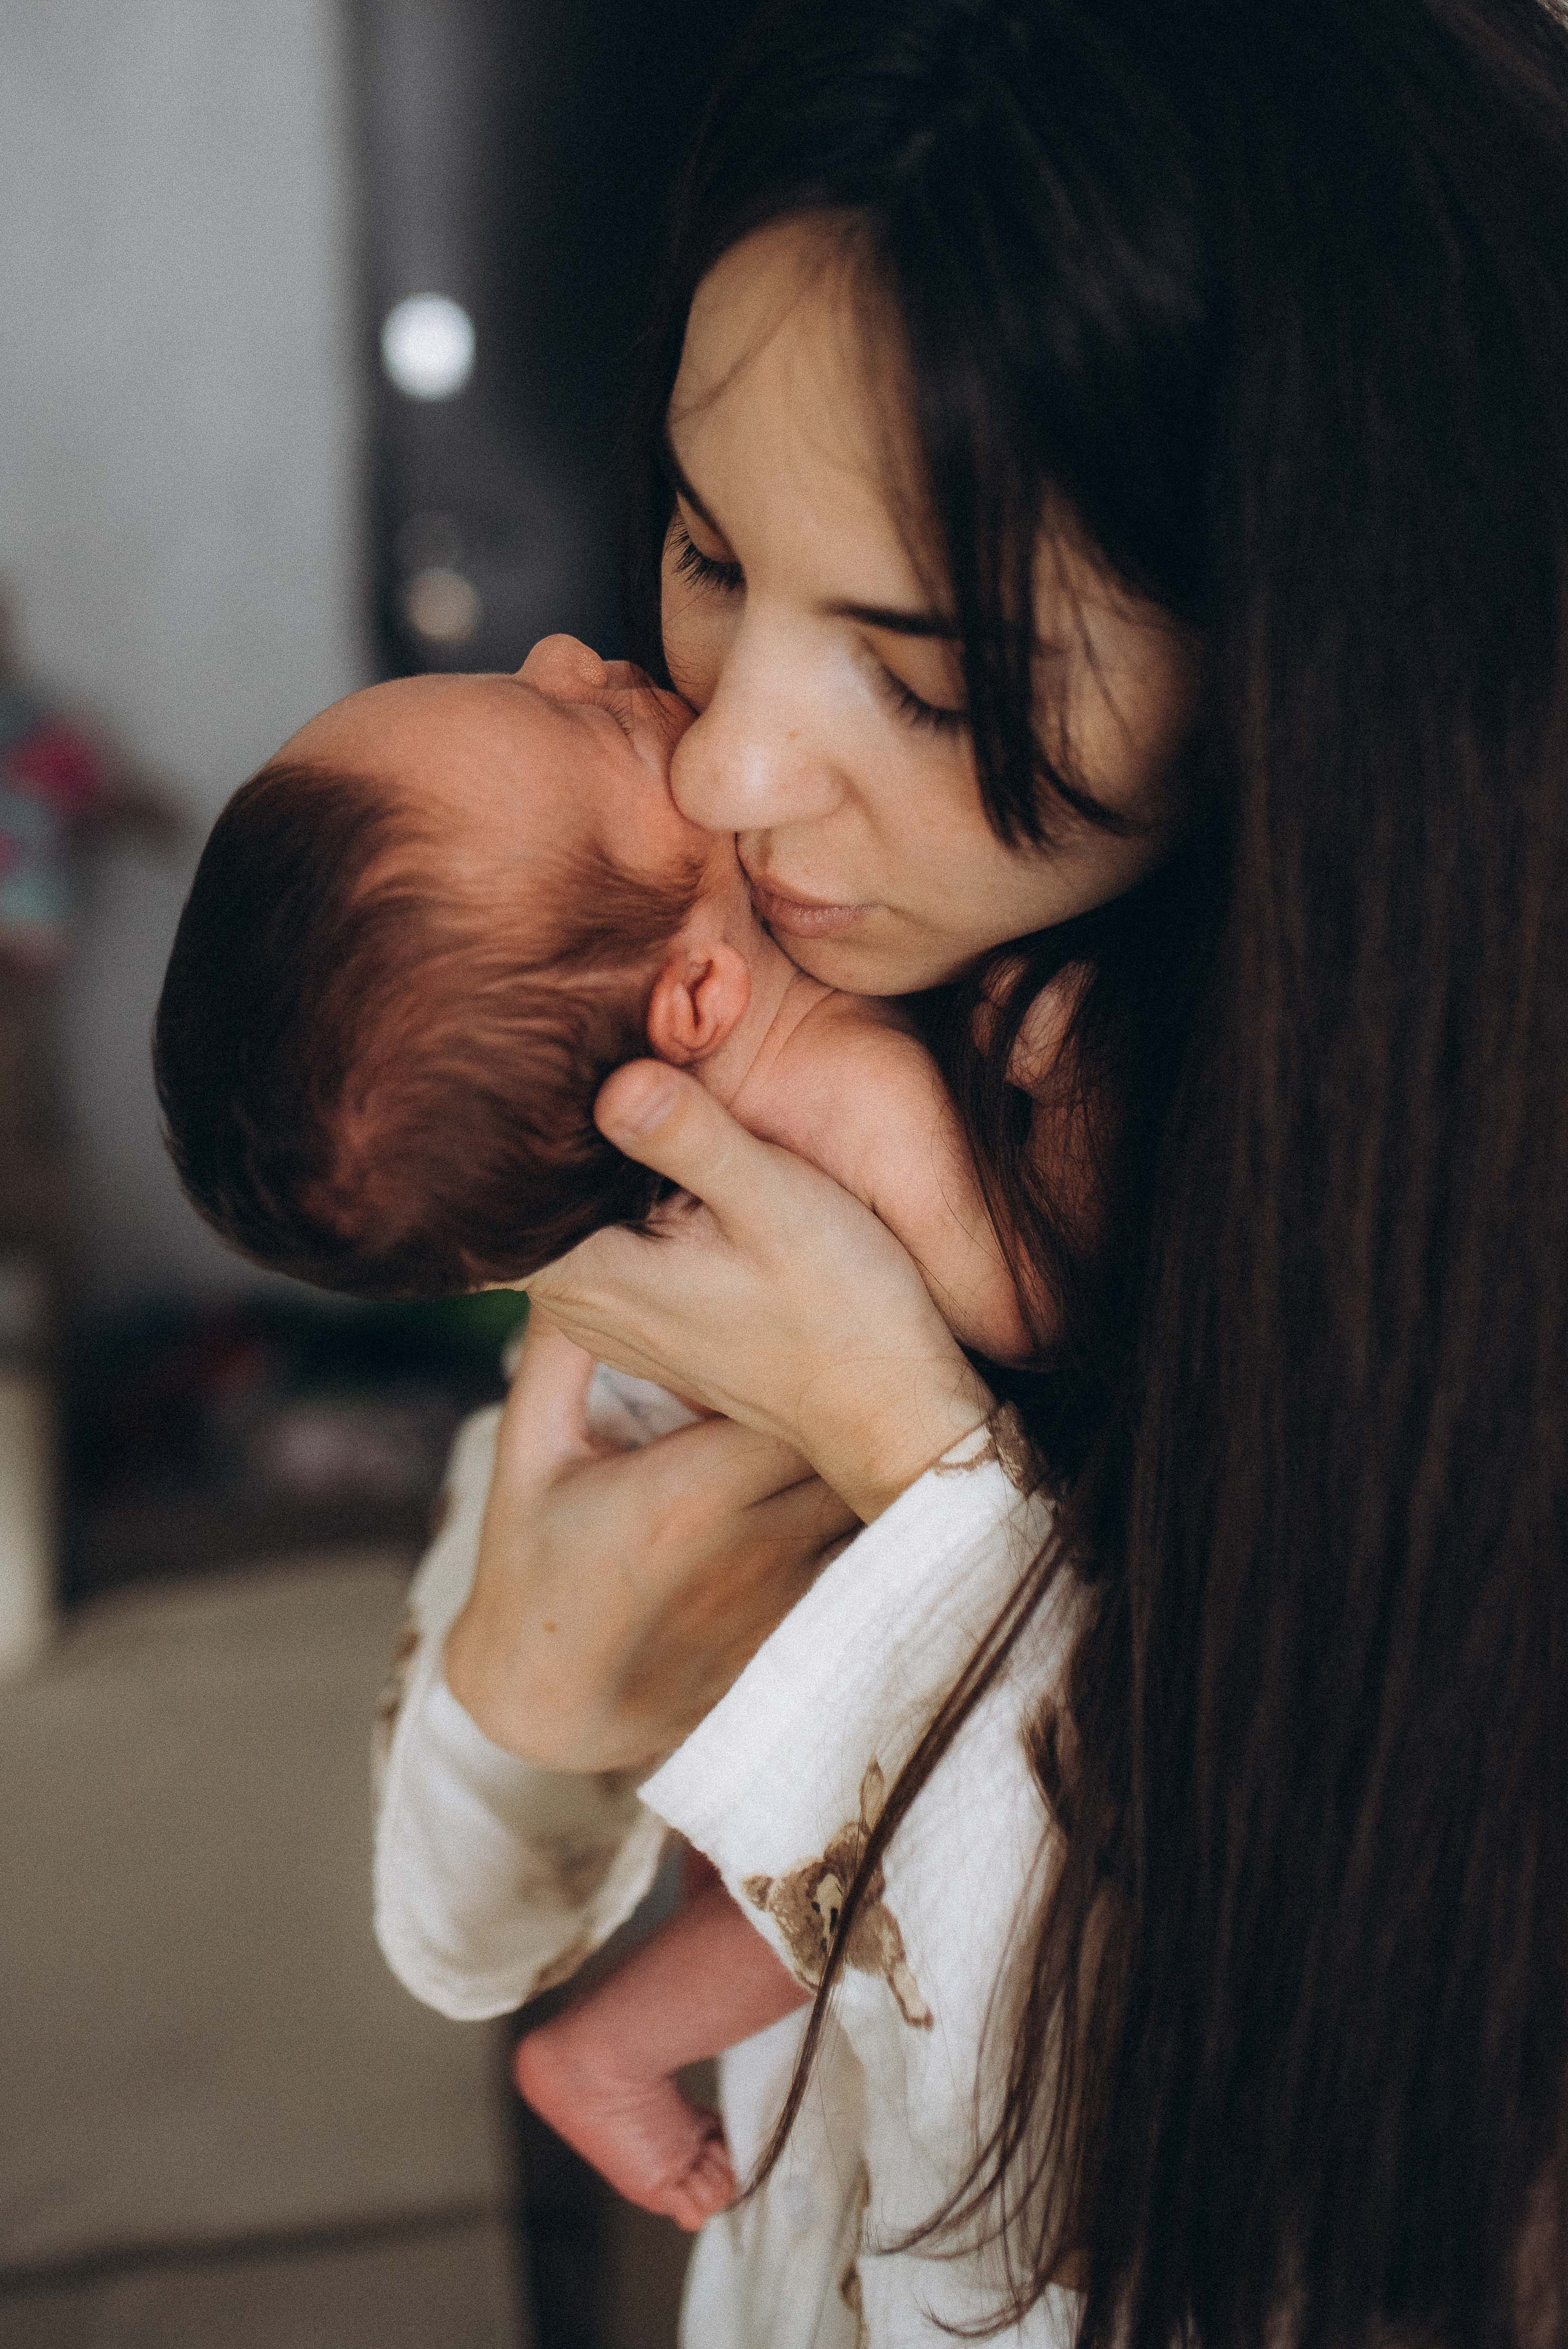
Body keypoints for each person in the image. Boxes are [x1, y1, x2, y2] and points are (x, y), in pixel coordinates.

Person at [371, 3, 1568, 2346]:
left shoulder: (1457, 1265)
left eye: (931, 682)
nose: (719, 768)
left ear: (1315, 656)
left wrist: (912, 1474)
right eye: (708, 552)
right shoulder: (757, 1017)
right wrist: (519, 1664)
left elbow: (1240, 2191)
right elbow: (457, 1924)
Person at [153, 657, 1033, 1360]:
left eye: (509, 674)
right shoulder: (849, 1098)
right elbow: (1029, 1306)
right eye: (602, 723)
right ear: (694, 995)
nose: (565, 656)